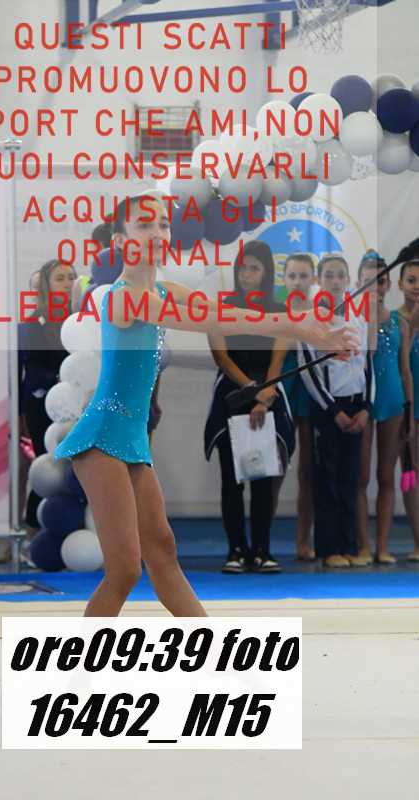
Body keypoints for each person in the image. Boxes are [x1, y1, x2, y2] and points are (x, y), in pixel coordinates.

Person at [54, 195, 358, 617]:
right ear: (122, 241)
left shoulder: (164, 290)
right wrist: (300, 327)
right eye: (144, 225)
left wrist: (307, 325)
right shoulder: (123, 299)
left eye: (163, 224)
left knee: (162, 551)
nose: (158, 232)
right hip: (102, 438)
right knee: (124, 571)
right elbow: (211, 321)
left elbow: (223, 312)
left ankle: (208, 645)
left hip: (130, 441)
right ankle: (83, 657)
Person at [204, 241, 295, 574]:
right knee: (232, 478)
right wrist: (249, 390)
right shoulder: (220, 307)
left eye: (254, 268)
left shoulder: (280, 310)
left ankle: (262, 550)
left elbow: (278, 358)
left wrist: (264, 395)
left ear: (266, 272)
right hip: (232, 393)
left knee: (262, 477)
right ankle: (235, 549)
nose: (247, 275)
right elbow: (221, 357)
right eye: (242, 268)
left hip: (268, 391)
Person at [0, 259, 76, 565]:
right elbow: (18, 375)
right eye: (60, 278)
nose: (67, 283)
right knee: (47, 469)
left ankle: (70, 537)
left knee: (75, 473)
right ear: (46, 285)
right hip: (40, 409)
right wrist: (18, 417)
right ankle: (28, 537)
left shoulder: (82, 323)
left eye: (71, 277)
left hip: (75, 408)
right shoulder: (29, 326)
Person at [298, 255, 374, 568]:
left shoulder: (359, 317)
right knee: (326, 478)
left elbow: (367, 363)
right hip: (327, 407)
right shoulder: (310, 319)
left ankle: (350, 545)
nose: (335, 281)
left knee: (349, 478)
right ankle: (329, 549)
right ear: (319, 280)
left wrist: (366, 407)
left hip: (356, 406)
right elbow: (308, 370)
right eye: (329, 275)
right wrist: (332, 410)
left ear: (348, 280)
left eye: (340, 275)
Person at [357, 252, 413, 565]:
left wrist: (409, 411)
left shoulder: (399, 323)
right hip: (365, 401)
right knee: (362, 477)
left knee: (387, 476)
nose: (374, 287)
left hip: (392, 400)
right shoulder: (354, 320)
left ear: (388, 284)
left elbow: (405, 371)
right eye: (368, 281)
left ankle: (382, 545)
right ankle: (363, 545)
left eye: (379, 281)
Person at [279, 254, 317, 561]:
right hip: (283, 390)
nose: (297, 282)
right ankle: (263, 541)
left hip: (312, 392)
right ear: (283, 280)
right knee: (275, 468)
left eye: (303, 276)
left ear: (313, 280)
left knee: (308, 471)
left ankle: (303, 539)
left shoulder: (319, 314)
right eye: (292, 276)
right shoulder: (276, 314)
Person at [397, 259, 419, 561]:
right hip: (409, 405)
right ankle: (417, 541)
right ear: (400, 284)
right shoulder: (395, 320)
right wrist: (413, 325)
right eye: (412, 280)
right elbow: (400, 365)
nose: (417, 286)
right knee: (412, 472)